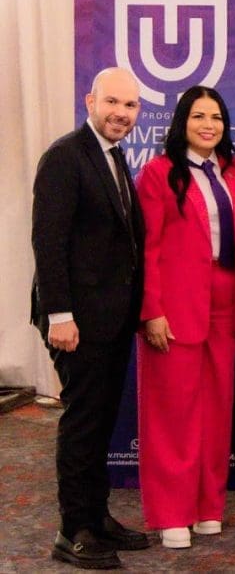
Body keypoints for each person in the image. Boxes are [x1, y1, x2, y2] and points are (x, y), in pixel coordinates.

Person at [31, 67, 151, 569]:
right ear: (90, 101)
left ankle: (96, 517)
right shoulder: (65, 156)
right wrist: (60, 315)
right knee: (82, 425)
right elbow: (49, 242)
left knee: (99, 422)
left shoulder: (113, 156)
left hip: (109, 319)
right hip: (74, 321)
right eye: (113, 103)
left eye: (131, 106)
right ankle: (73, 531)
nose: (122, 113)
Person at [135, 86, 235, 549]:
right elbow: (147, 249)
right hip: (174, 309)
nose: (209, 124)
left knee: (217, 411)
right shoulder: (158, 173)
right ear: (181, 121)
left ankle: (207, 506)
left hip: (226, 305)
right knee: (172, 415)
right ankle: (171, 513)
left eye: (217, 116)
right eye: (199, 115)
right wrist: (151, 312)